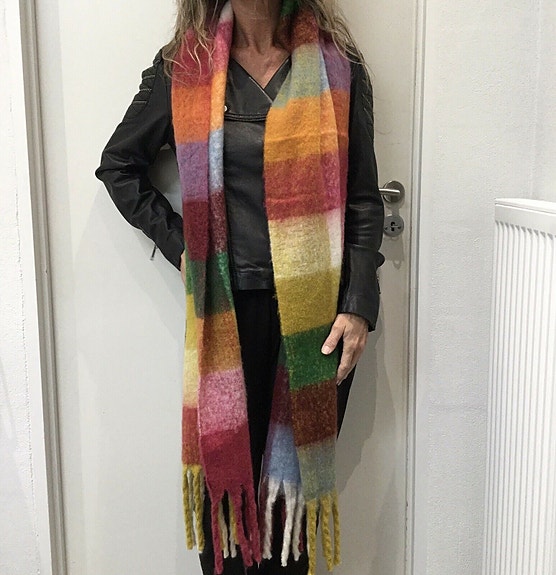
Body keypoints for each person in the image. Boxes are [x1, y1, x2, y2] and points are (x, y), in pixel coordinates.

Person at [95, 1, 384, 574]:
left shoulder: (339, 67)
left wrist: (358, 305)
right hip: (225, 313)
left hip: (317, 324)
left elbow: (362, 199)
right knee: (225, 509)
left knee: (288, 517)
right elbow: (119, 166)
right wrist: (184, 248)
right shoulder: (184, 66)